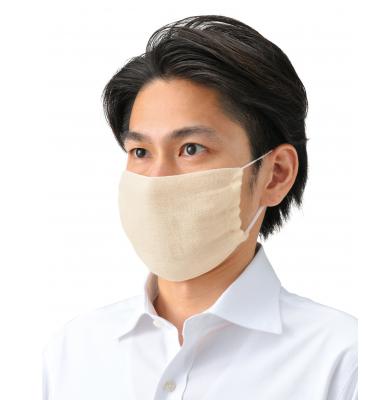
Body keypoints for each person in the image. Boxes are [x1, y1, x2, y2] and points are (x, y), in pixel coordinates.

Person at [42, 14, 357, 400]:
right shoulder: (73, 352)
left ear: (275, 174)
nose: (156, 180)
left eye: (191, 149)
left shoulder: (343, 361)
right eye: (140, 152)